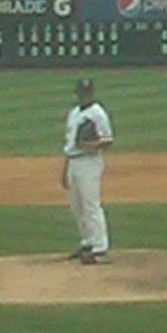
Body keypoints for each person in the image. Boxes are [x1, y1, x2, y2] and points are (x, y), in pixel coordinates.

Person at [62, 77, 112, 264]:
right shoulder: (74, 112)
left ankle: (100, 248)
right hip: (73, 162)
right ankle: (87, 242)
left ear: (91, 92)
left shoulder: (98, 113)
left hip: (89, 162)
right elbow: (69, 144)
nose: (84, 95)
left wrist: (89, 145)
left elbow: (107, 140)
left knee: (91, 204)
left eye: (86, 92)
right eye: (81, 92)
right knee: (76, 205)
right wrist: (65, 168)